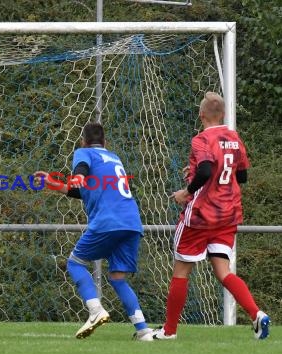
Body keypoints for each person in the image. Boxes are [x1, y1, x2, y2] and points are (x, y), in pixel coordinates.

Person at [152, 92, 270, 340]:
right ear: (224, 114)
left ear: (201, 114)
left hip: (200, 216)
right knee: (223, 271)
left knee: (181, 271)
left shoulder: (201, 139)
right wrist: (197, 172)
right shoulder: (235, 138)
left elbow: (206, 170)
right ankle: (257, 315)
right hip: (228, 216)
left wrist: (186, 191)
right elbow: (241, 176)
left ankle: (169, 331)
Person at [34, 122, 153, 341]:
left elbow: (81, 170)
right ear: (105, 143)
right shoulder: (113, 158)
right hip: (132, 222)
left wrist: (78, 176)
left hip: (109, 221)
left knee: (75, 263)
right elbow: (90, 191)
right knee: (118, 278)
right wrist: (56, 184)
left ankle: (95, 310)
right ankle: (143, 330)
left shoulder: (84, 152)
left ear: (83, 141)